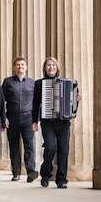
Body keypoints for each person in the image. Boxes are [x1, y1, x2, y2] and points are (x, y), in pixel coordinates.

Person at [32, 57, 81, 189]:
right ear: (44, 68)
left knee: (63, 150)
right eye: (48, 65)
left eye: (53, 65)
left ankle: (61, 179)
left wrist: (76, 100)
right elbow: (36, 104)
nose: (51, 67)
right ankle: (46, 174)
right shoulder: (39, 84)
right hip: (48, 121)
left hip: (64, 122)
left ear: (57, 67)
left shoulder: (68, 83)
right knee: (50, 147)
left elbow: (72, 105)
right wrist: (34, 121)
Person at [2, 57, 38, 182]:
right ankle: (16, 172)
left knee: (29, 145)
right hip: (12, 117)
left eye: (22, 65)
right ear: (14, 67)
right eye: (17, 65)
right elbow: (2, 102)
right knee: (14, 145)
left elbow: (36, 102)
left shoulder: (32, 83)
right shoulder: (8, 82)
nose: (20, 67)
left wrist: (35, 120)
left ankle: (30, 171)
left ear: (26, 67)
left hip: (28, 117)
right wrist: (4, 118)